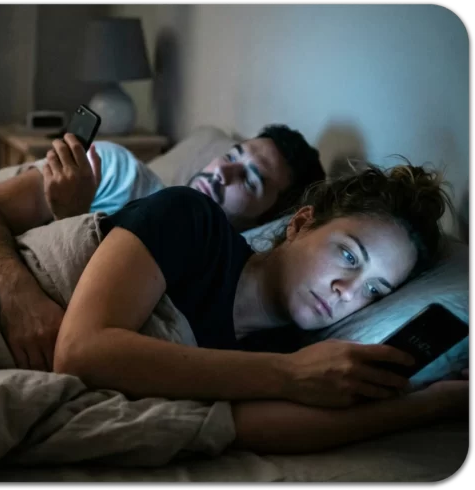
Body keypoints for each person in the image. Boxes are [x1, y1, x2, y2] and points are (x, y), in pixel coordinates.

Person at [47, 136, 465, 453]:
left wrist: (435, 404)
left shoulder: (287, 352)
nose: (347, 291)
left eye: (375, 290)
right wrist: (289, 376)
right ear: (300, 223)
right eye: (348, 255)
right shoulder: (193, 221)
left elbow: (250, 428)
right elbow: (82, 351)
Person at [0, 125, 325, 370]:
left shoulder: (217, 291)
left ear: (273, 219)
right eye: (230, 157)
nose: (222, 173)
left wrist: (71, 218)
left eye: (251, 180)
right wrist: (19, 293)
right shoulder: (117, 173)